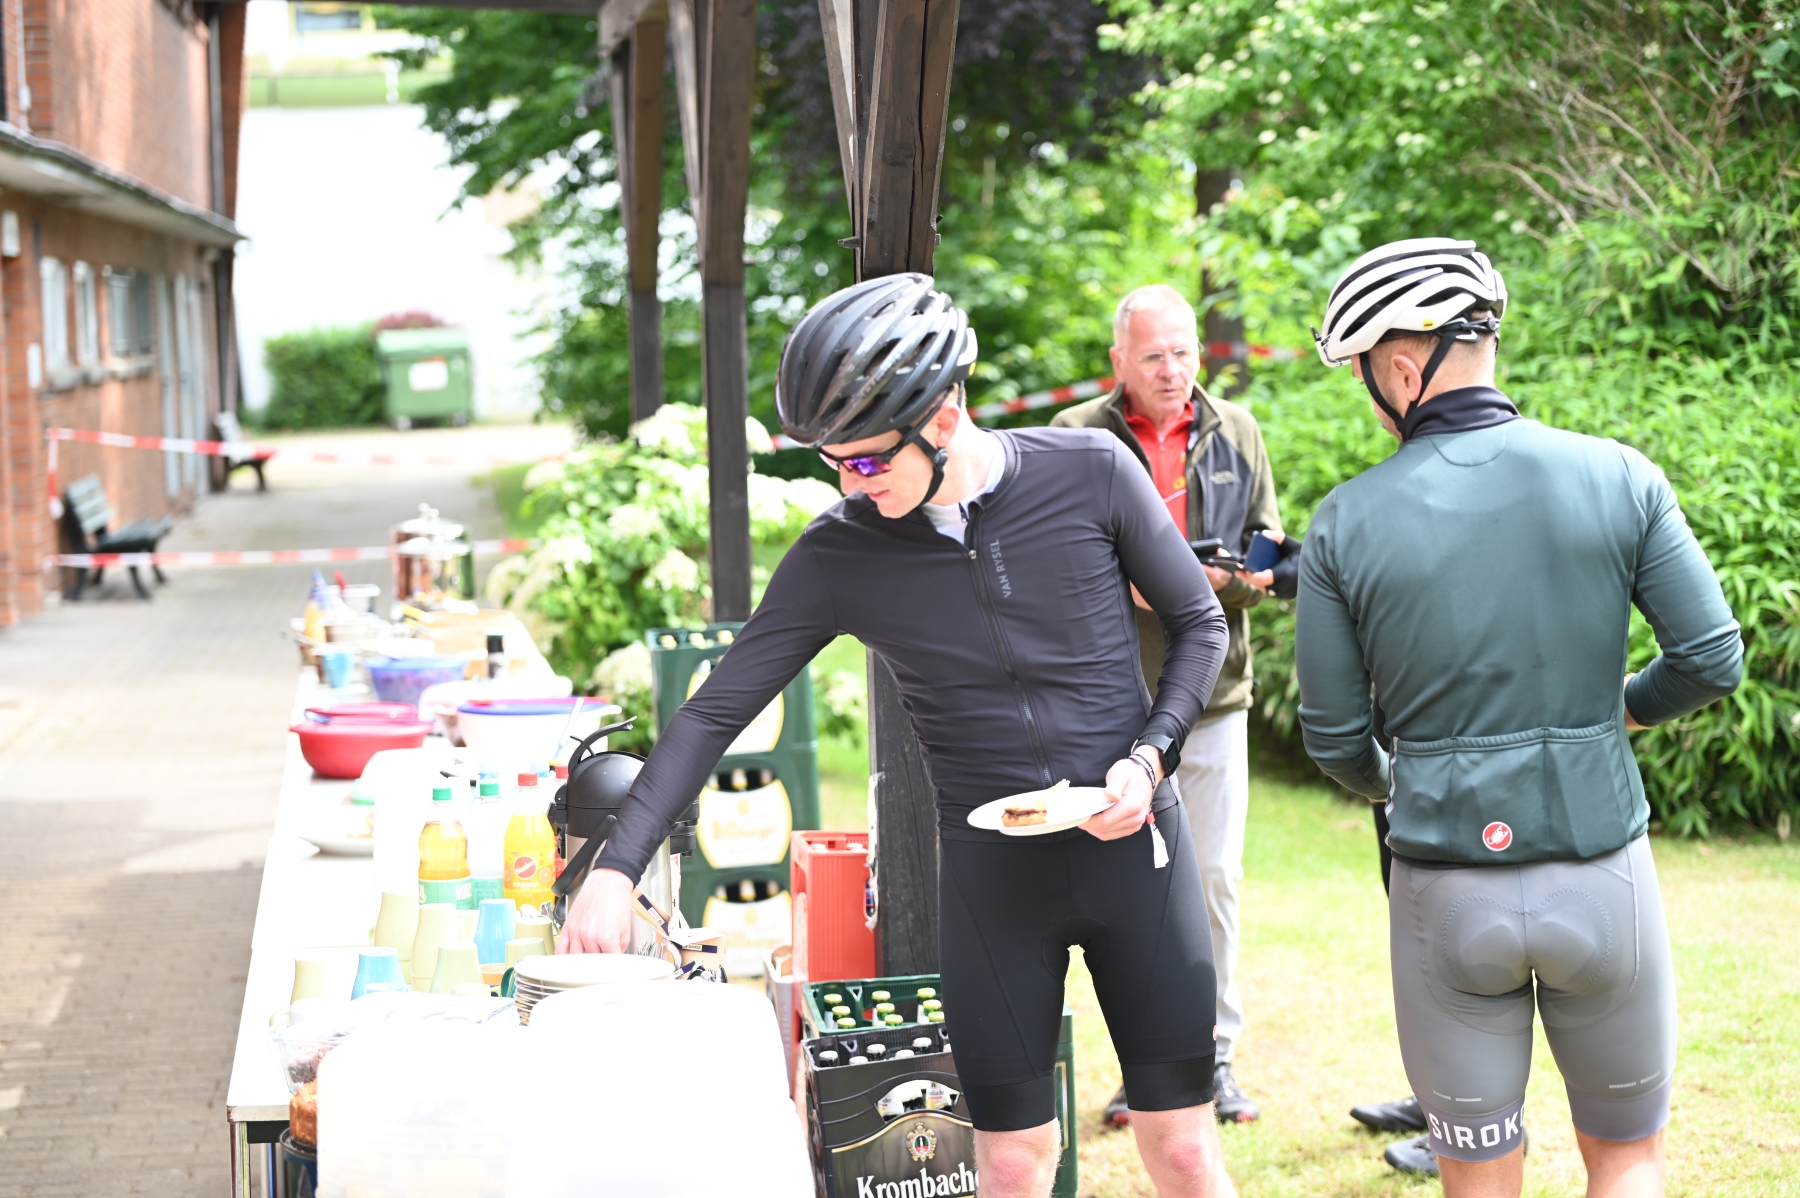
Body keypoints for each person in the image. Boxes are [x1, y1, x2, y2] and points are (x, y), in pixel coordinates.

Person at [562, 273, 1240, 1198]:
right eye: (834, 463)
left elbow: (1200, 624)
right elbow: (717, 709)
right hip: (995, 879)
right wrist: (615, 869)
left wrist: (1150, 754)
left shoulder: (1092, 471)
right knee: (1011, 1163)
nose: (850, 483)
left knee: (1186, 1151)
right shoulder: (842, 552)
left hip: (1136, 849)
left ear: (945, 418)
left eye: (869, 462)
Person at [1296, 238, 1743, 1198]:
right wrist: (1622, 714)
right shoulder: (1620, 475)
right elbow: (1711, 659)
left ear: (1401, 367)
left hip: (1445, 886)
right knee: (1629, 1162)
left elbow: (1333, 738)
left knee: (1479, 1176)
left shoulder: (1344, 521)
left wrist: (1403, 781)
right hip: (1601, 869)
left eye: (1362, 375)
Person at [1051, 284, 1292, 1127]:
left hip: (1213, 695)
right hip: (1109, 701)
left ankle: (1214, 1057)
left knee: (1214, 878)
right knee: (1129, 890)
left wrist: (1218, 582)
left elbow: (1268, 561)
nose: (1171, 370)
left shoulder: (1239, 430)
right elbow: (1046, 562)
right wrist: (1123, 584)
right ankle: (1144, 1062)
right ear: (1118, 360)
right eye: (1153, 355)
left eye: (1184, 352)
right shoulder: (1075, 434)